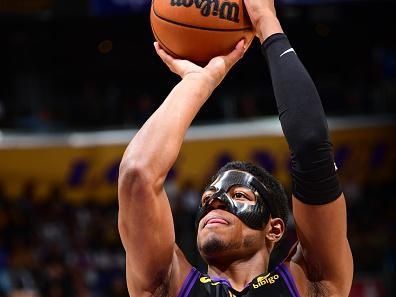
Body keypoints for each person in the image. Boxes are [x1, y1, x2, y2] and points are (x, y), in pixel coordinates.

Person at [117, 0, 354, 296]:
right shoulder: (168, 286)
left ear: (275, 229)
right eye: (208, 197)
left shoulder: (313, 284)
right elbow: (137, 173)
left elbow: (311, 146)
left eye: (239, 195)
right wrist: (199, 81)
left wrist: (266, 21)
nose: (214, 202)